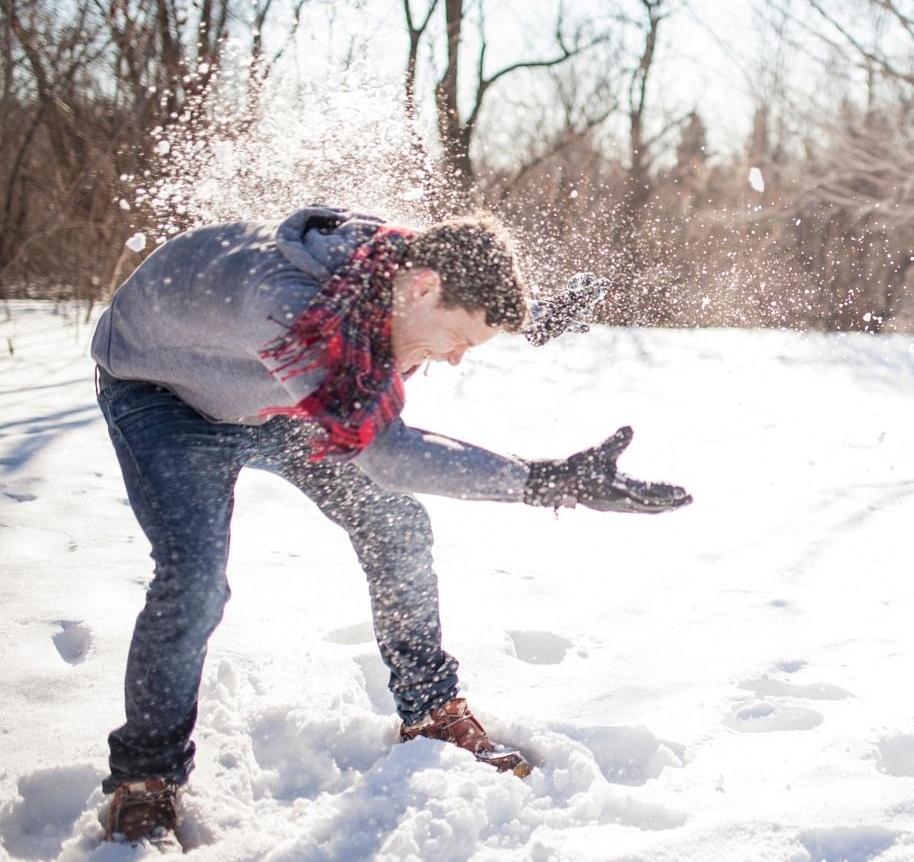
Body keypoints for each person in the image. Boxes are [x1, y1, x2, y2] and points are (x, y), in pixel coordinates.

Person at [89, 205, 692, 845]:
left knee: (395, 523)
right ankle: (145, 778)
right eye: (458, 341)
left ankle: (430, 711)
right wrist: (544, 480)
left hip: (281, 401)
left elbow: (468, 292)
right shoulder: (293, 308)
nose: (454, 359)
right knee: (195, 580)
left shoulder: (401, 267)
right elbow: (389, 454)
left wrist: (535, 318)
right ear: (423, 289)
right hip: (166, 398)